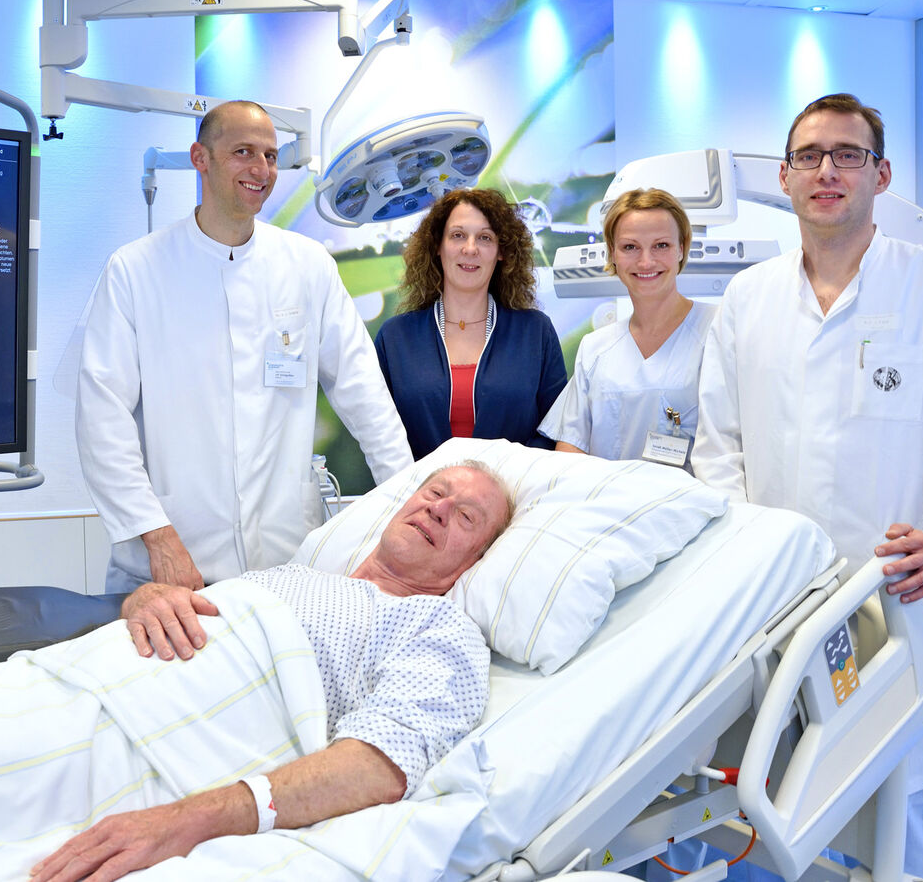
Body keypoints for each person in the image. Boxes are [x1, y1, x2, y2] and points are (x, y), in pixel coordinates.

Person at [693, 92, 923, 880]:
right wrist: (742, 561)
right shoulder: (748, 298)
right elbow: (717, 449)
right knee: (773, 799)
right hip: (776, 601)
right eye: (808, 156)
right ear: (785, 176)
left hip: (889, 598)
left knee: (900, 800)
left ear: (881, 174)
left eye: (846, 154)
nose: (826, 171)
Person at [31, 460, 511, 882]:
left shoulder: (438, 627)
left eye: (466, 516)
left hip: (137, 749)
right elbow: (195, 616)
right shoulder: (293, 574)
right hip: (67, 681)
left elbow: (380, 765)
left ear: (477, 560)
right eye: (434, 492)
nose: (439, 508)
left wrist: (184, 821)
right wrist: (143, 599)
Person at [76, 100, 412, 594]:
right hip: (171, 562)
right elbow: (102, 418)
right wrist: (157, 536)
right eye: (243, 152)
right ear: (200, 158)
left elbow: (364, 394)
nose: (261, 169)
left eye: (272, 156)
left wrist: (404, 501)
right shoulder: (136, 269)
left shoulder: (307, 265)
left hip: (285, 558)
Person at [373, 188, 567, 460]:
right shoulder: (396, 338)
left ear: (501, 252)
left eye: (485, 238)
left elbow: (556, 431)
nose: (470, 248)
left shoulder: (535, 332)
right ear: (438, 247)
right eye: (458, 235)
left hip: (514, 497)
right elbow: (378, 434)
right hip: (421, 497)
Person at [538, 188, 715, 474]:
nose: (646, 262)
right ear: (612, 254)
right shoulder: (595, 348)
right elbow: (570, 454)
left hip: (693, 512)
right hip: (611, 512)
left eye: (661, 245)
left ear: (682, 247)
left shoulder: (718, 330)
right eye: (630, 247)